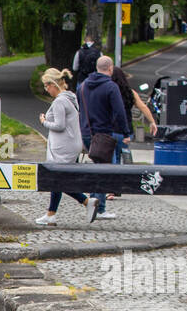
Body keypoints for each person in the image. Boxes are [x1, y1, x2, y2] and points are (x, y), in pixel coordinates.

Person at [35, 68, 92, 226]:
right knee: (58, 178)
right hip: (71, 144)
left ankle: (87, 202)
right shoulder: (71, 97)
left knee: (57, 179)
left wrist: (44, 121)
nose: (46, 90)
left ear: (53, 84)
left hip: (63, 146)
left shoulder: (60, 101)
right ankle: (51, 214)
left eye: (46, 86)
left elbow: (59, 125)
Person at [77, 54, 130, 220]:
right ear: (110, 68)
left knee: (95, 169)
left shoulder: (83, 86)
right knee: (104, 170)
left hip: (87, 133)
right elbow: (120, 111)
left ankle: (94, 205)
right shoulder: (111, 86)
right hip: (103, 134)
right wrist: (125, 131)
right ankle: (99, 209)